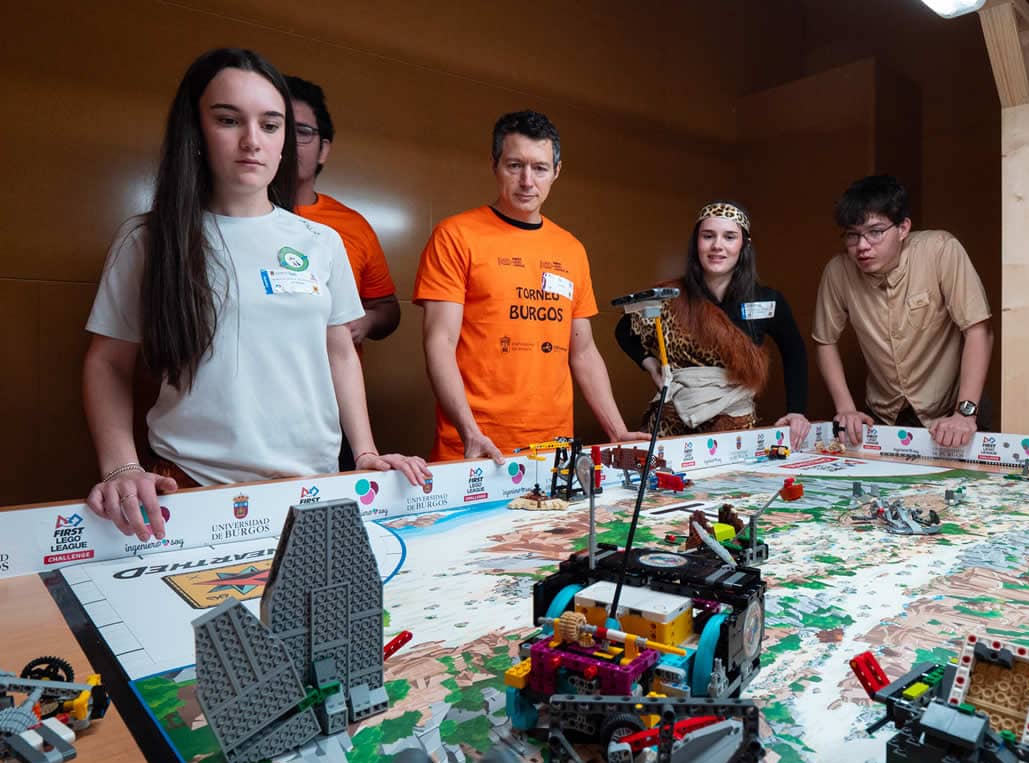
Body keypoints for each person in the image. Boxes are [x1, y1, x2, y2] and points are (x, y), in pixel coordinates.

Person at [82, 48, 429, 543]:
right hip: (192, 486)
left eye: (270, 125)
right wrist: (121, 467)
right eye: (228, 120)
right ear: (195, 130)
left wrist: (366, 451)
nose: (252, 141)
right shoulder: (149, 240)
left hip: (314, 484)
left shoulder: (321, 241)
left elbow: (339, 352)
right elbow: (108, 362)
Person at [414, 109, 646, 463]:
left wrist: (617, 430)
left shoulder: (570, 249)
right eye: (514, 165)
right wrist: (469, 431)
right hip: (475, 447)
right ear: (494, 165)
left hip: (552, 449)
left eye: (539, 168)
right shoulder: (455, 235)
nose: (527, 181)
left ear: (556, 171)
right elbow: (439, 342)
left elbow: (583, 352)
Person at [812, 175, 993, 449]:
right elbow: (825, 340)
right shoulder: (838, 271)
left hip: (953, 411)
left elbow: (978, 330)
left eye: (875, 232)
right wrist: (846, 408)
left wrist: (965, 413)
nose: (862, 246)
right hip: (884, 415)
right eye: (852, 235)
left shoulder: (940, 249)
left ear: (903, 228)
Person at [615, 201, 811, 448]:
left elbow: (794, 351)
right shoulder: (669, 297)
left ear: (744, 244)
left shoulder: (767, 300)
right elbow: (624, 330)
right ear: (696, 242)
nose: (717, 245)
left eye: (729, 237)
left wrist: (796, 410)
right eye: (708, 236)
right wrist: (651, 365)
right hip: (671, 428)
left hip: (733, 431)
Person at [285, 74, 401, 469]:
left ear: (323, 149)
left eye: (301, 132)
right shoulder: (222, 223)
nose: (287, 142)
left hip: (333, 410)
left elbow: (388, 308)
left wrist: (362, 323)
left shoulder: (346, 228)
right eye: (275, 127)